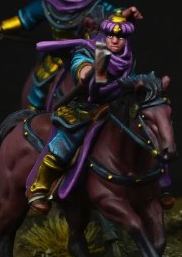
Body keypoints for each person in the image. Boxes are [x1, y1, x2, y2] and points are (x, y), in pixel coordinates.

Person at [0, 0, 143, 111]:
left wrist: (125, 13)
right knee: (40, 84)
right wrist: (1, 27)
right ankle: (31, 117)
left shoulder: (94, 3)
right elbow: (24, 19)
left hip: (90, 49)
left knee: (118, 73)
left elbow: (113, 14)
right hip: (60, 53)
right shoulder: (49, 4)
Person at [25, 12, 137, 214]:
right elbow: (81, 65)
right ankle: (39, 187)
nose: (114, 41)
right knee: (67, 140)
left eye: (120, 37)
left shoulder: (126, 57)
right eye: (111, 36)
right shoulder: (92, 50)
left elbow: (128, 80)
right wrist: (85, 71)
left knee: (144, 130)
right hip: (85, 106)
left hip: (114, 107)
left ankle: (157, 184)